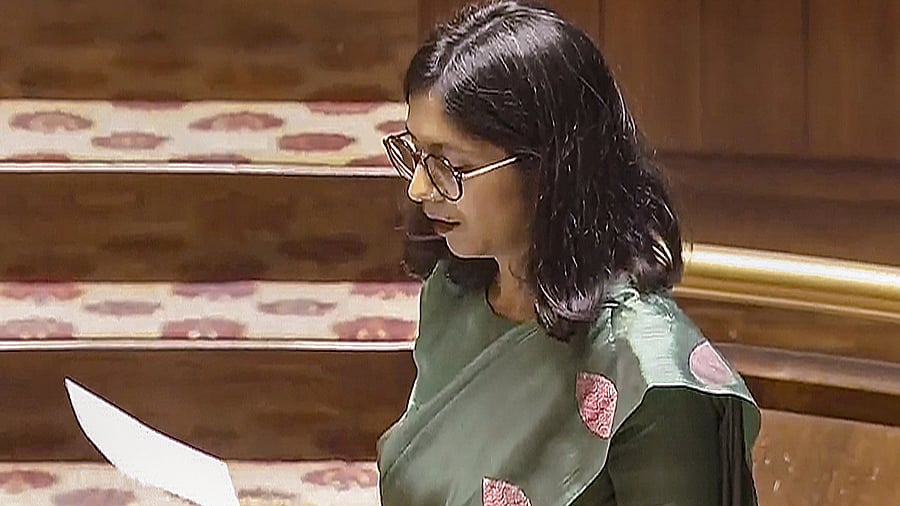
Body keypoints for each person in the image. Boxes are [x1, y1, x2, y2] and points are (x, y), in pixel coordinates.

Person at [376, 1, 760, 504]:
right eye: (417, 155)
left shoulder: (650, 375)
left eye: (450, 164)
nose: (419, 189)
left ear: (547, 167)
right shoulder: (454, 295)